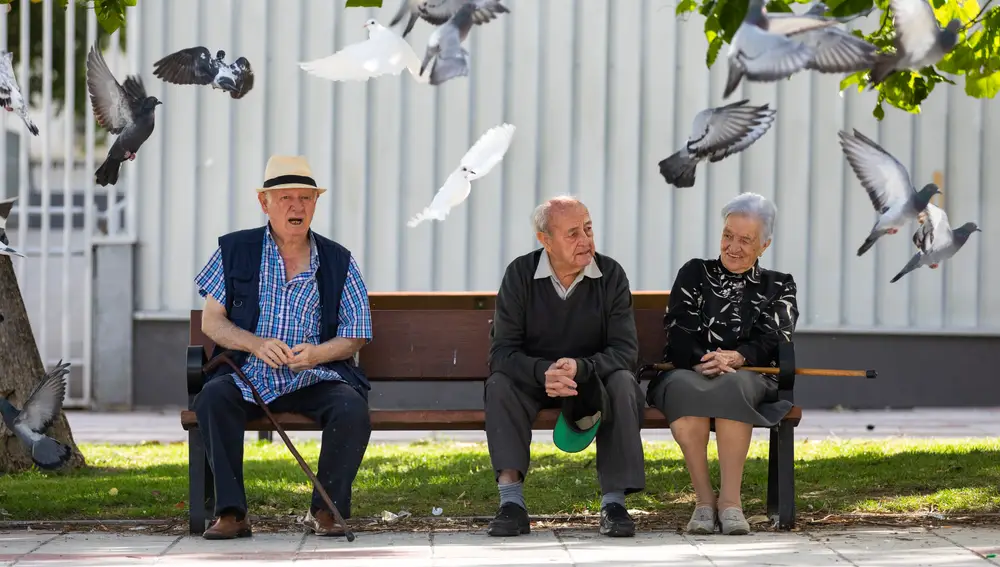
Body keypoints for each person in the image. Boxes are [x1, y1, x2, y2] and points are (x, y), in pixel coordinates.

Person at [192, 155, 374, 540]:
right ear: (265, 203)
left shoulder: (338, 259)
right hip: (249, 373)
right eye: (286, 197)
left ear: (314, 204)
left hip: (313, 375)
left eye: (305, 198)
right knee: (212, 399)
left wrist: (317, 354)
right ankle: (231, 513)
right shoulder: (235, 249)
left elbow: (357, 331)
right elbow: (212, 321)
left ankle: (326, 510)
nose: (297, 207)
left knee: (351, 407)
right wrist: (255, 344)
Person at [484, 195, 646, 538]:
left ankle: (614, 504)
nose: (586, 240)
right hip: (535, 379)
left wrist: (580, 368)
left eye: (588, 228)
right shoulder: (520, 274)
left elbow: (625, 351)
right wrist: (545, 372)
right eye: (573, 233)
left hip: (593, 377)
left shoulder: (611, 274)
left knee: (622, 382)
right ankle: (511, 503)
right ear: (546, 240)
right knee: (500, 383)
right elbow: (502, 352)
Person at [646, 192, 798, 536]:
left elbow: (774, 335)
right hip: (687, 370)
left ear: (765, 244)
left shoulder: (779, 284)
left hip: (748, 375)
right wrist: (703, 360)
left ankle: (730, 502)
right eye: (728, 235)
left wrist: (738, 357)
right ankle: (703, 502)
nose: (733, 246)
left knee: (732, 383)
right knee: (685, 387)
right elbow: (678, 328)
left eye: (746, 240)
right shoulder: (694, 272)